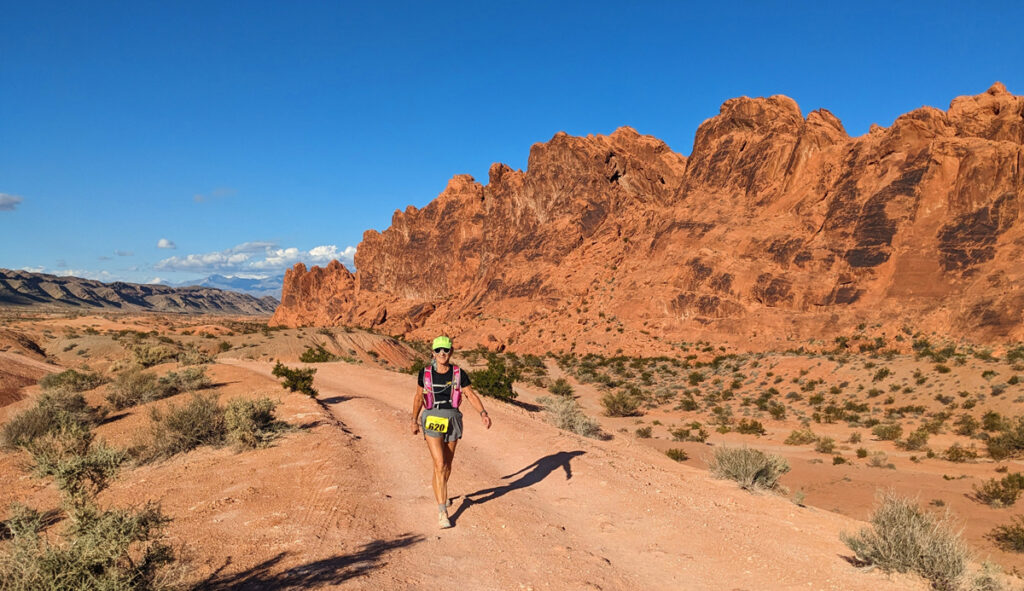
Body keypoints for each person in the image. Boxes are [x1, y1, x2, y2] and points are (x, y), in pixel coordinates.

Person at [411, 335, 492, 528]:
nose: (442, 354)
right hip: (431, 418)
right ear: (432, 352)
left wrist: (483, 413)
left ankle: (441, 490)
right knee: (439, 463)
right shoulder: (425, 373)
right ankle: (442, 512)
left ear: (451, 352)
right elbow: (417, 396)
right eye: (438, 350)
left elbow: (470, 394)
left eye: (445, 350)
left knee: (447, 464)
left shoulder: (458, 373)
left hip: (453, 418)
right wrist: (413, 420)